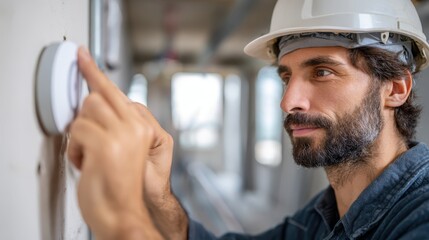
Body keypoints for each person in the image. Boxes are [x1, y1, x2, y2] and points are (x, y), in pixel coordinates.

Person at [67, 0, 429, 239]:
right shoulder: (321, 219)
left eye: (322, 72)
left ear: (395, 88)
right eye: (286, 77)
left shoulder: (419, 215)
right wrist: (156, 193)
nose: (289, 101)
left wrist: (122, 222)